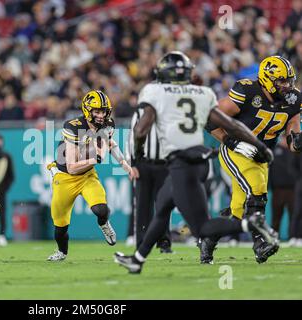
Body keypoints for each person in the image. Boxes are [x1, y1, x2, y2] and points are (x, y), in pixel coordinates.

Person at [114, 51, 277, 274]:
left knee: (202, 228)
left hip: (183, 164)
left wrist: (138, 157)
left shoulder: (154, 91)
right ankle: (138, 259)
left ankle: (251, 224)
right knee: (162, 207)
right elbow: (232, 125)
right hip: (197, 161)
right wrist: (261, 147)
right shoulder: (202, 92)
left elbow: (141, 129)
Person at [202, 56, 302, 263]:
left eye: (289, 80)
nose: (287, 86)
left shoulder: (293, 99)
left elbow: (293, 138)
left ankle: (209, 238)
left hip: (260, 156)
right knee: (257, 190)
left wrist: (298, 141)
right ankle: (260, 244)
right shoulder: (247, 91)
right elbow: (208, 118)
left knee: (238, 211)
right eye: (282, 81)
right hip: (237, 150)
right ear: (266, 79)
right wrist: (229, 141)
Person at [46, 89, 135, 261]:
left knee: (101, 209)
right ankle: (61, 252)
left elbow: (110, 143)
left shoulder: (108, 124)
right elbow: (72, 167)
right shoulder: (73, 127)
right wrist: (96, 158)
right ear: (87, 110)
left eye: (103, 111)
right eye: (97, 111)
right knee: (60, 225)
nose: (101, 115)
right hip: (64, 177)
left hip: (87, 176)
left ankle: (104, 224)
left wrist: (126, 166)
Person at [127, 104, 172, 252]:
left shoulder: (169, 109)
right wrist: (132, 164)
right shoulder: (140, 111)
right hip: (143, 164)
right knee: (142, 205)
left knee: (164, 204)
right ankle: (141, 242)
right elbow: (132, 137)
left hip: (165, 164)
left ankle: (164, 241)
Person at [269, 138, 297, 239]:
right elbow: (269, 169)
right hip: (277, 189)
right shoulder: (273, 150)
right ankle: (273, 239)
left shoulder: (295, 151)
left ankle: (293, 237)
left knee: (294, 215)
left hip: (293, 189)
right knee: (276, 216)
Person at [0, 133, 15, 247]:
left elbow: (11, 176)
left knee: (1, 213)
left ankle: (2, 235)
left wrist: (3, 188)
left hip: (0, 190)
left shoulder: (6, 156)